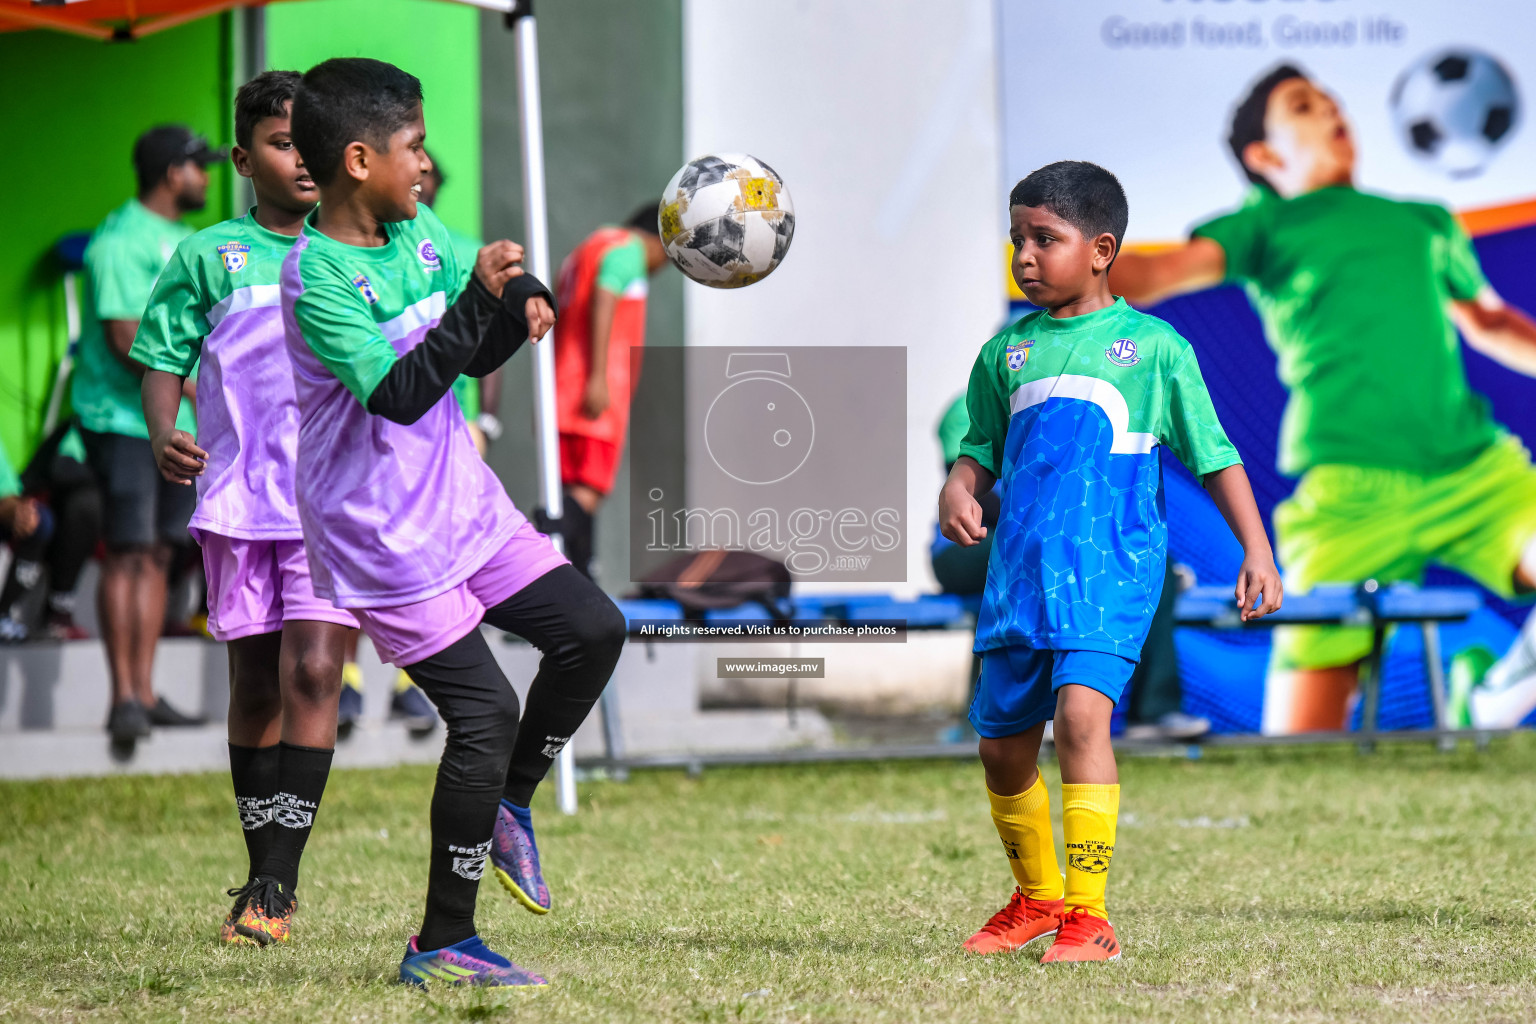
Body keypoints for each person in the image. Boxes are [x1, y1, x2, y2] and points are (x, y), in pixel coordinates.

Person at [284, 58, 626, 987]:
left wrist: (519, 299)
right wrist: (481, 298)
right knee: (485, 713)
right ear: (359, 160)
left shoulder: (417, 229)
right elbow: (399, 393)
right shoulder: (317, 279)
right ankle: (442, 940)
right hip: (381, 535)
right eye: (414, 148)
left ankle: (509, 806)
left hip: (461, 501)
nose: (426, 165)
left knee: (593, 630)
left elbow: (474, 344)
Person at [1110, 65, 1536, 734]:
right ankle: (1474, 702)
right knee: (1300, 742)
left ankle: (1490, 700)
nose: (1331, 110)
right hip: (1346, 500)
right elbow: (1162, 272)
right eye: (1303, 106)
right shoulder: (1264, 227)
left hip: (1476, 471)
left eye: (1332, 100)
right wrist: (1084, 264)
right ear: (1265, 156)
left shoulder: (1425, 222)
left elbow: (1489, 322)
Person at [939, 161, 1280, 963]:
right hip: (1020, 579)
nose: (1024, 255)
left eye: (1043, 239)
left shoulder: (1154, 349)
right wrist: (961, 488)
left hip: (1111, 576)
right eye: (1017, 238)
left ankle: (1089, 918)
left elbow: (1215, 454)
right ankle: (1035, 898)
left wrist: (1255, 549)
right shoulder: (1005, 353)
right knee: (1002, 747)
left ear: (1100, 250)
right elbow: (979, 446)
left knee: (1084, 719)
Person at [130, 71, 360, 948]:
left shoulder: (356, 250)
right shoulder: (207, 256)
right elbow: (161, 356)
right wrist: (163, 430)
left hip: (328, 506)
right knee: (257, 680)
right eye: (280, 143)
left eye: (313, 143)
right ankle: (262, 862)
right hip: (237, 504)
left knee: (314, 673)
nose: (301, 160)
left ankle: (275, 883)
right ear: (242, 158)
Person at [73, 124, 222, 742]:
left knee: (160, 553)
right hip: (126, 423)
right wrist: (196, 388)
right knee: (128, 553)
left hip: (177, 430)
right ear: (171, 173)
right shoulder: (119, 240)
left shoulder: (184, 240)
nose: (208, 179)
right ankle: (122, 698)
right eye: (199, 167)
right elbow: (120, 334)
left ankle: (148, 690)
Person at [552, 205, 669, 578]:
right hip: (594, 398)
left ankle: (580, 579)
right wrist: (598, 376)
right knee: (587, 492)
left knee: (573, 493)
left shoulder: (586, 248)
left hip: (562, 390)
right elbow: (606, 293)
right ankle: (529, 546)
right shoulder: (628, 248)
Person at [0, 425, 100, 643]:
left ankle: (6, 614)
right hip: (7, 483)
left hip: (23, 481)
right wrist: (6, 492)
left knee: (42, 519)